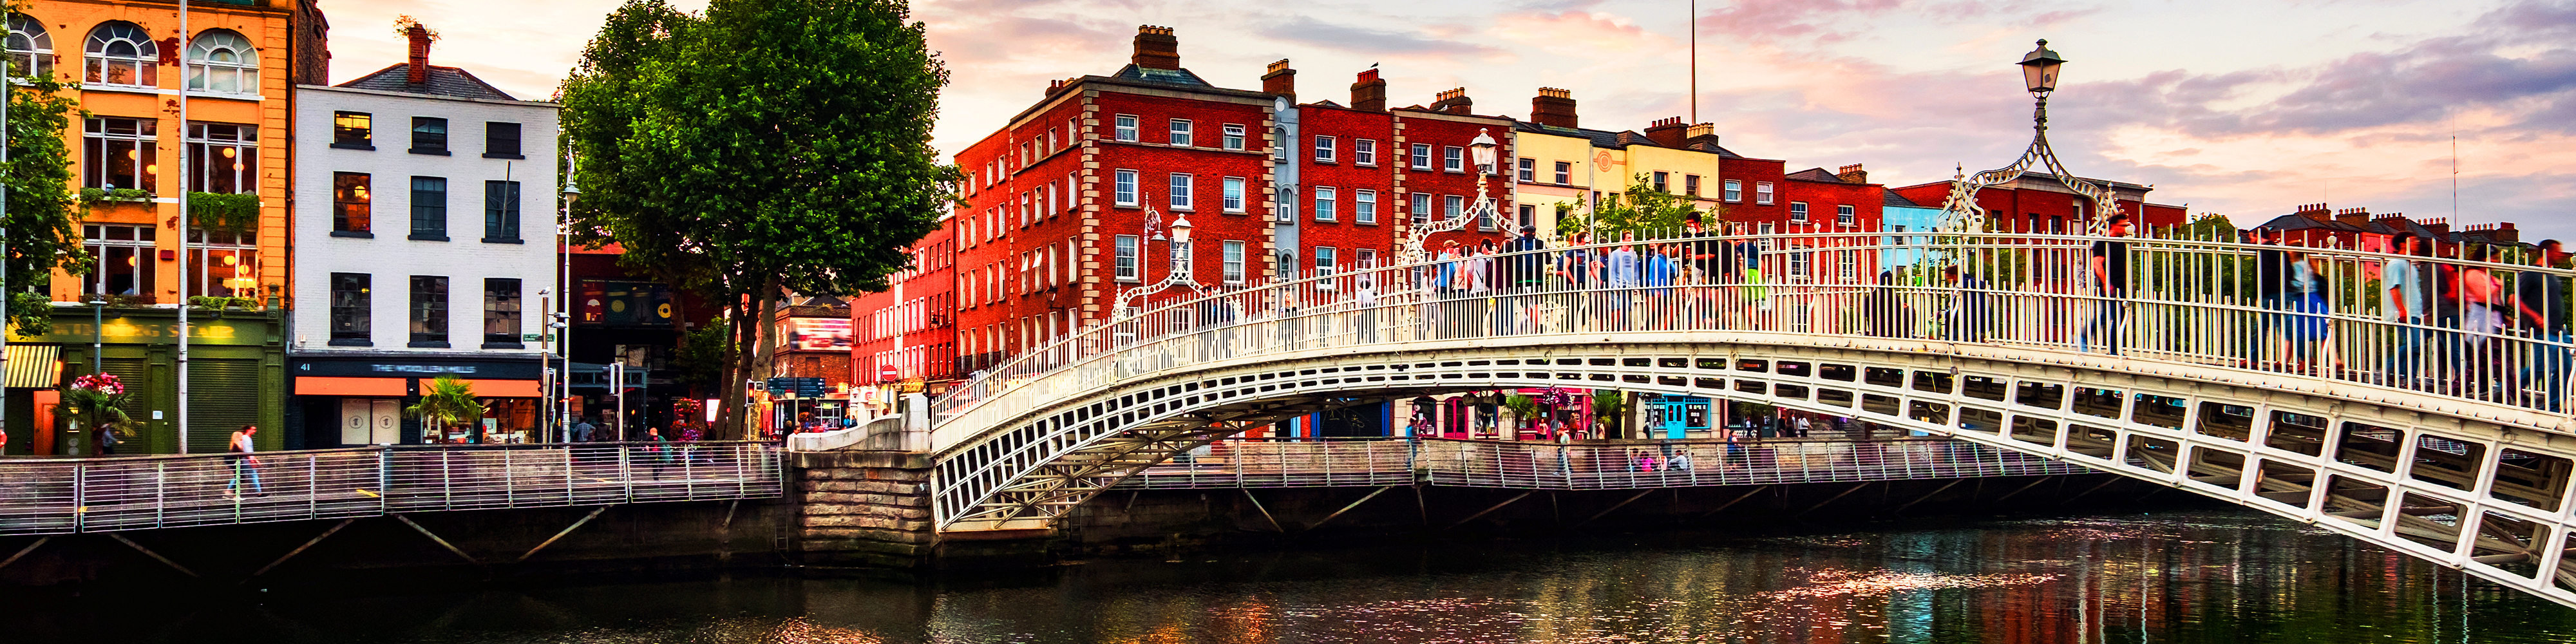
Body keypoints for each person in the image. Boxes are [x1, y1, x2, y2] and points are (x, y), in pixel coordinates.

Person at [2080, 214, 2134, 355]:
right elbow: (2097, 264)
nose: (2126, 228)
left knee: (2115, 317)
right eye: (2124, 225)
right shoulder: (2103, 243)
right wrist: (2106, 283)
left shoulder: (2122, 243)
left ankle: (2110, 347)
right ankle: (2109, 347)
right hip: (2110, 286)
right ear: (2114, 226)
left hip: (2122, 285)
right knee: (2112, 317)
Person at [2383, 234, 2427, 386]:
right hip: (2404, 312)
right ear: (2403, 244)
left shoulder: (2411, 265)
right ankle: (2387, 370)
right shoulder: (2396, 263)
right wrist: (2402, 310)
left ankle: (2410, 380)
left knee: (2415, 348)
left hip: (2414, 312)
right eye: (2414, 240)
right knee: (2413, 345)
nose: (2418, 243)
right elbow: (2394, 288)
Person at [227, 424, 265, 498]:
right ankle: (259, 492)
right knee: (251, 475)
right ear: (248, 430)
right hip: (246, 461)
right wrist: (252, 460)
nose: (255, 431)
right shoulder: (246, 438)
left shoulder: (246, 438)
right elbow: (247, 451)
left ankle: (229, 490)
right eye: (253, 429)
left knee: (240, 476)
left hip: (245, 460)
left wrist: (254, 459)